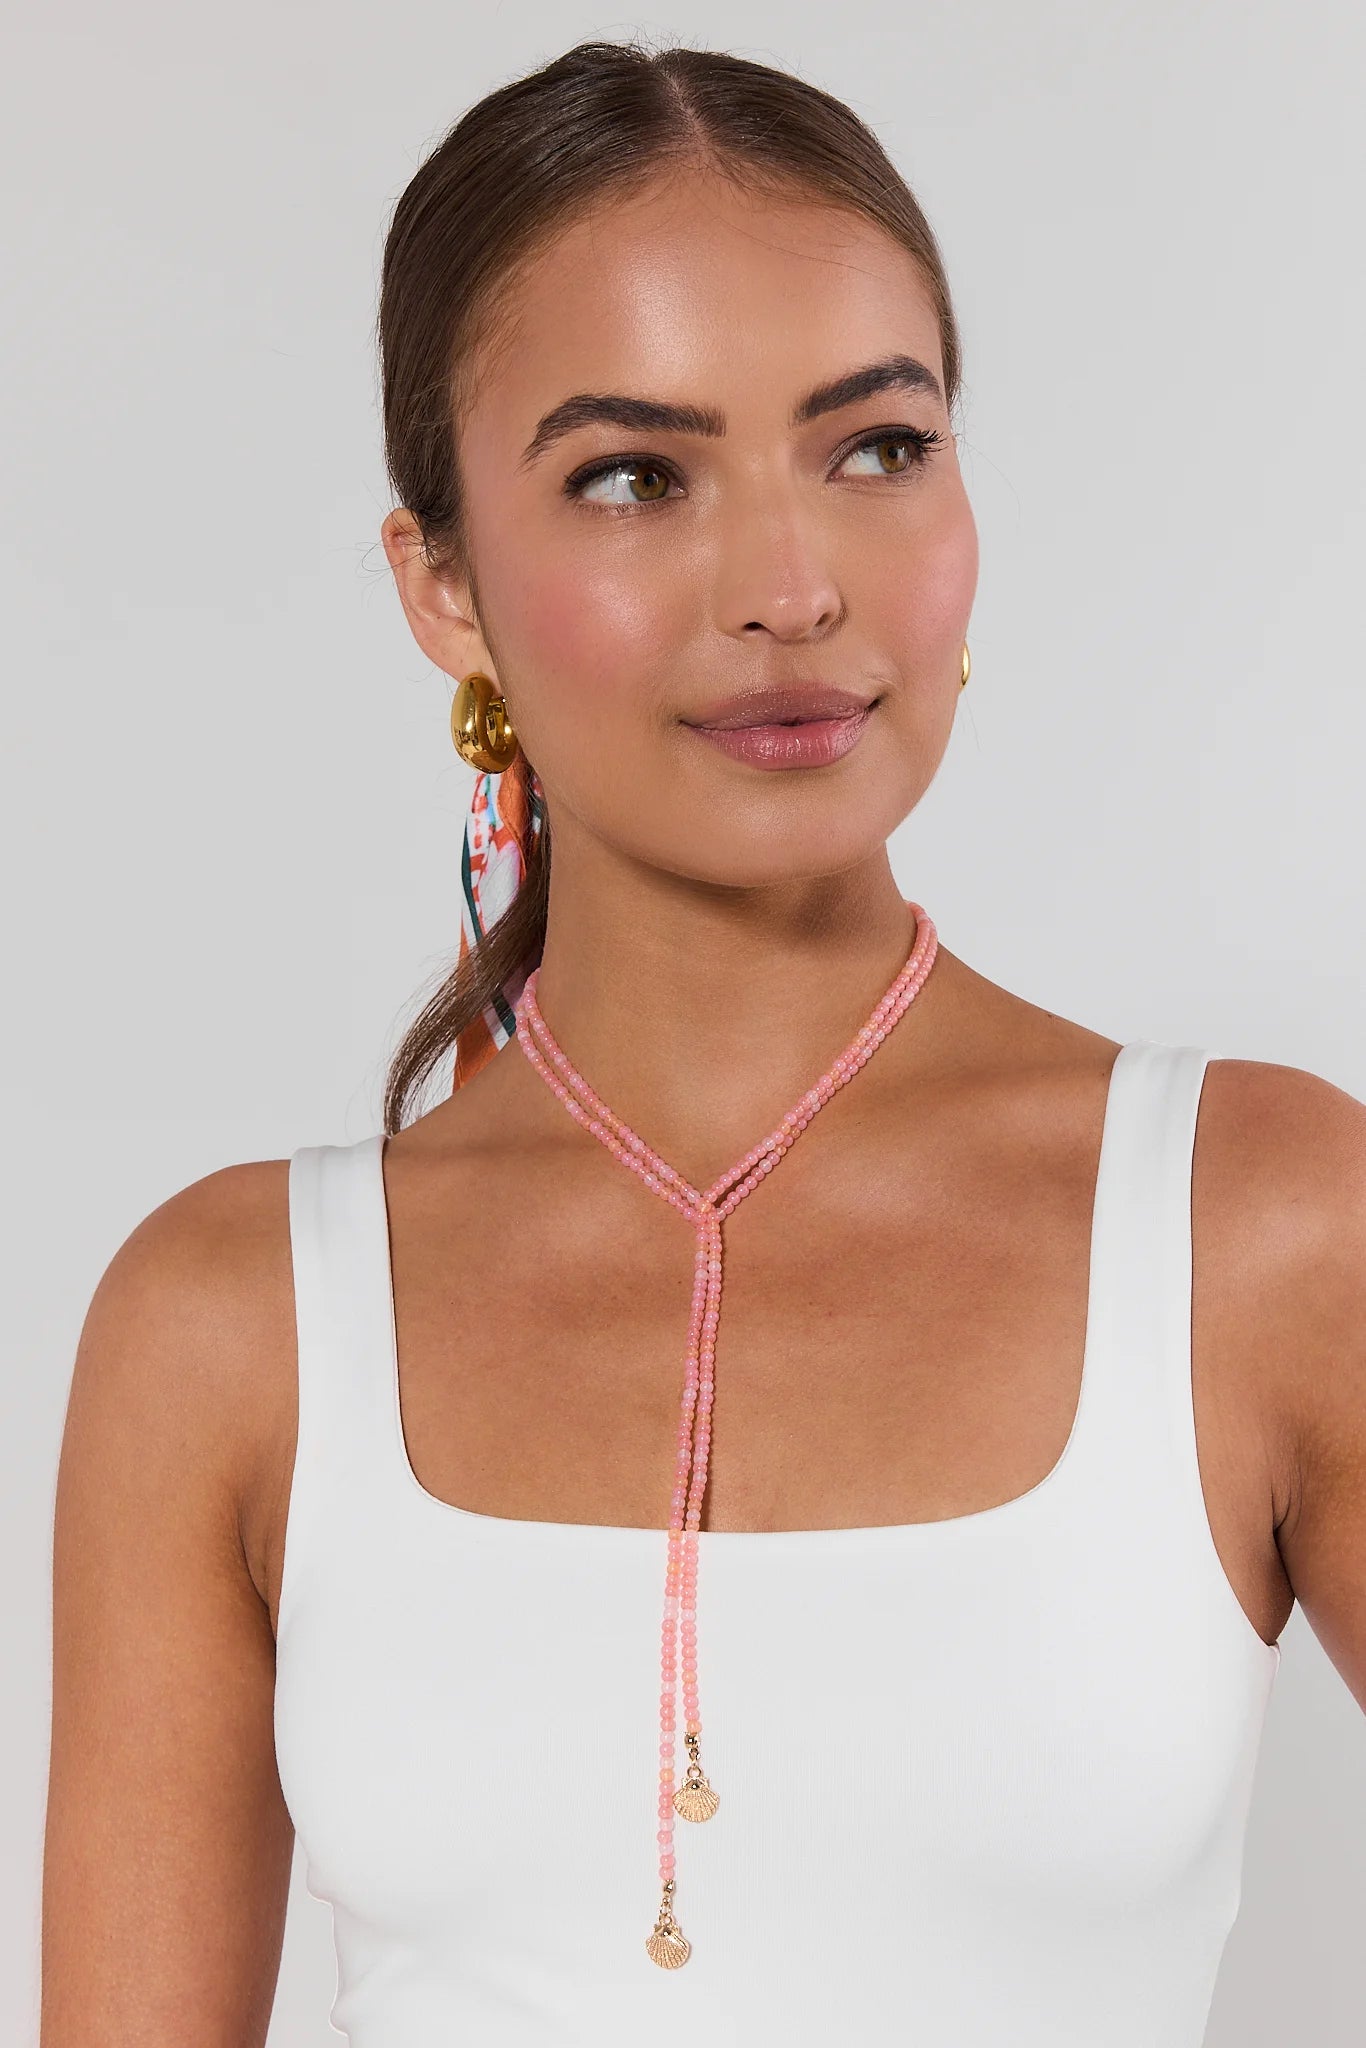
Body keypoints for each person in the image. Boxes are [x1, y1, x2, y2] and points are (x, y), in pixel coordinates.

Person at [41, 34, 1366, 2048]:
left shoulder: (1263, 1226)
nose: (790, 585)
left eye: (876, 447)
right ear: (443, 591)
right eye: (633, 478)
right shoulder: (228, 1327)